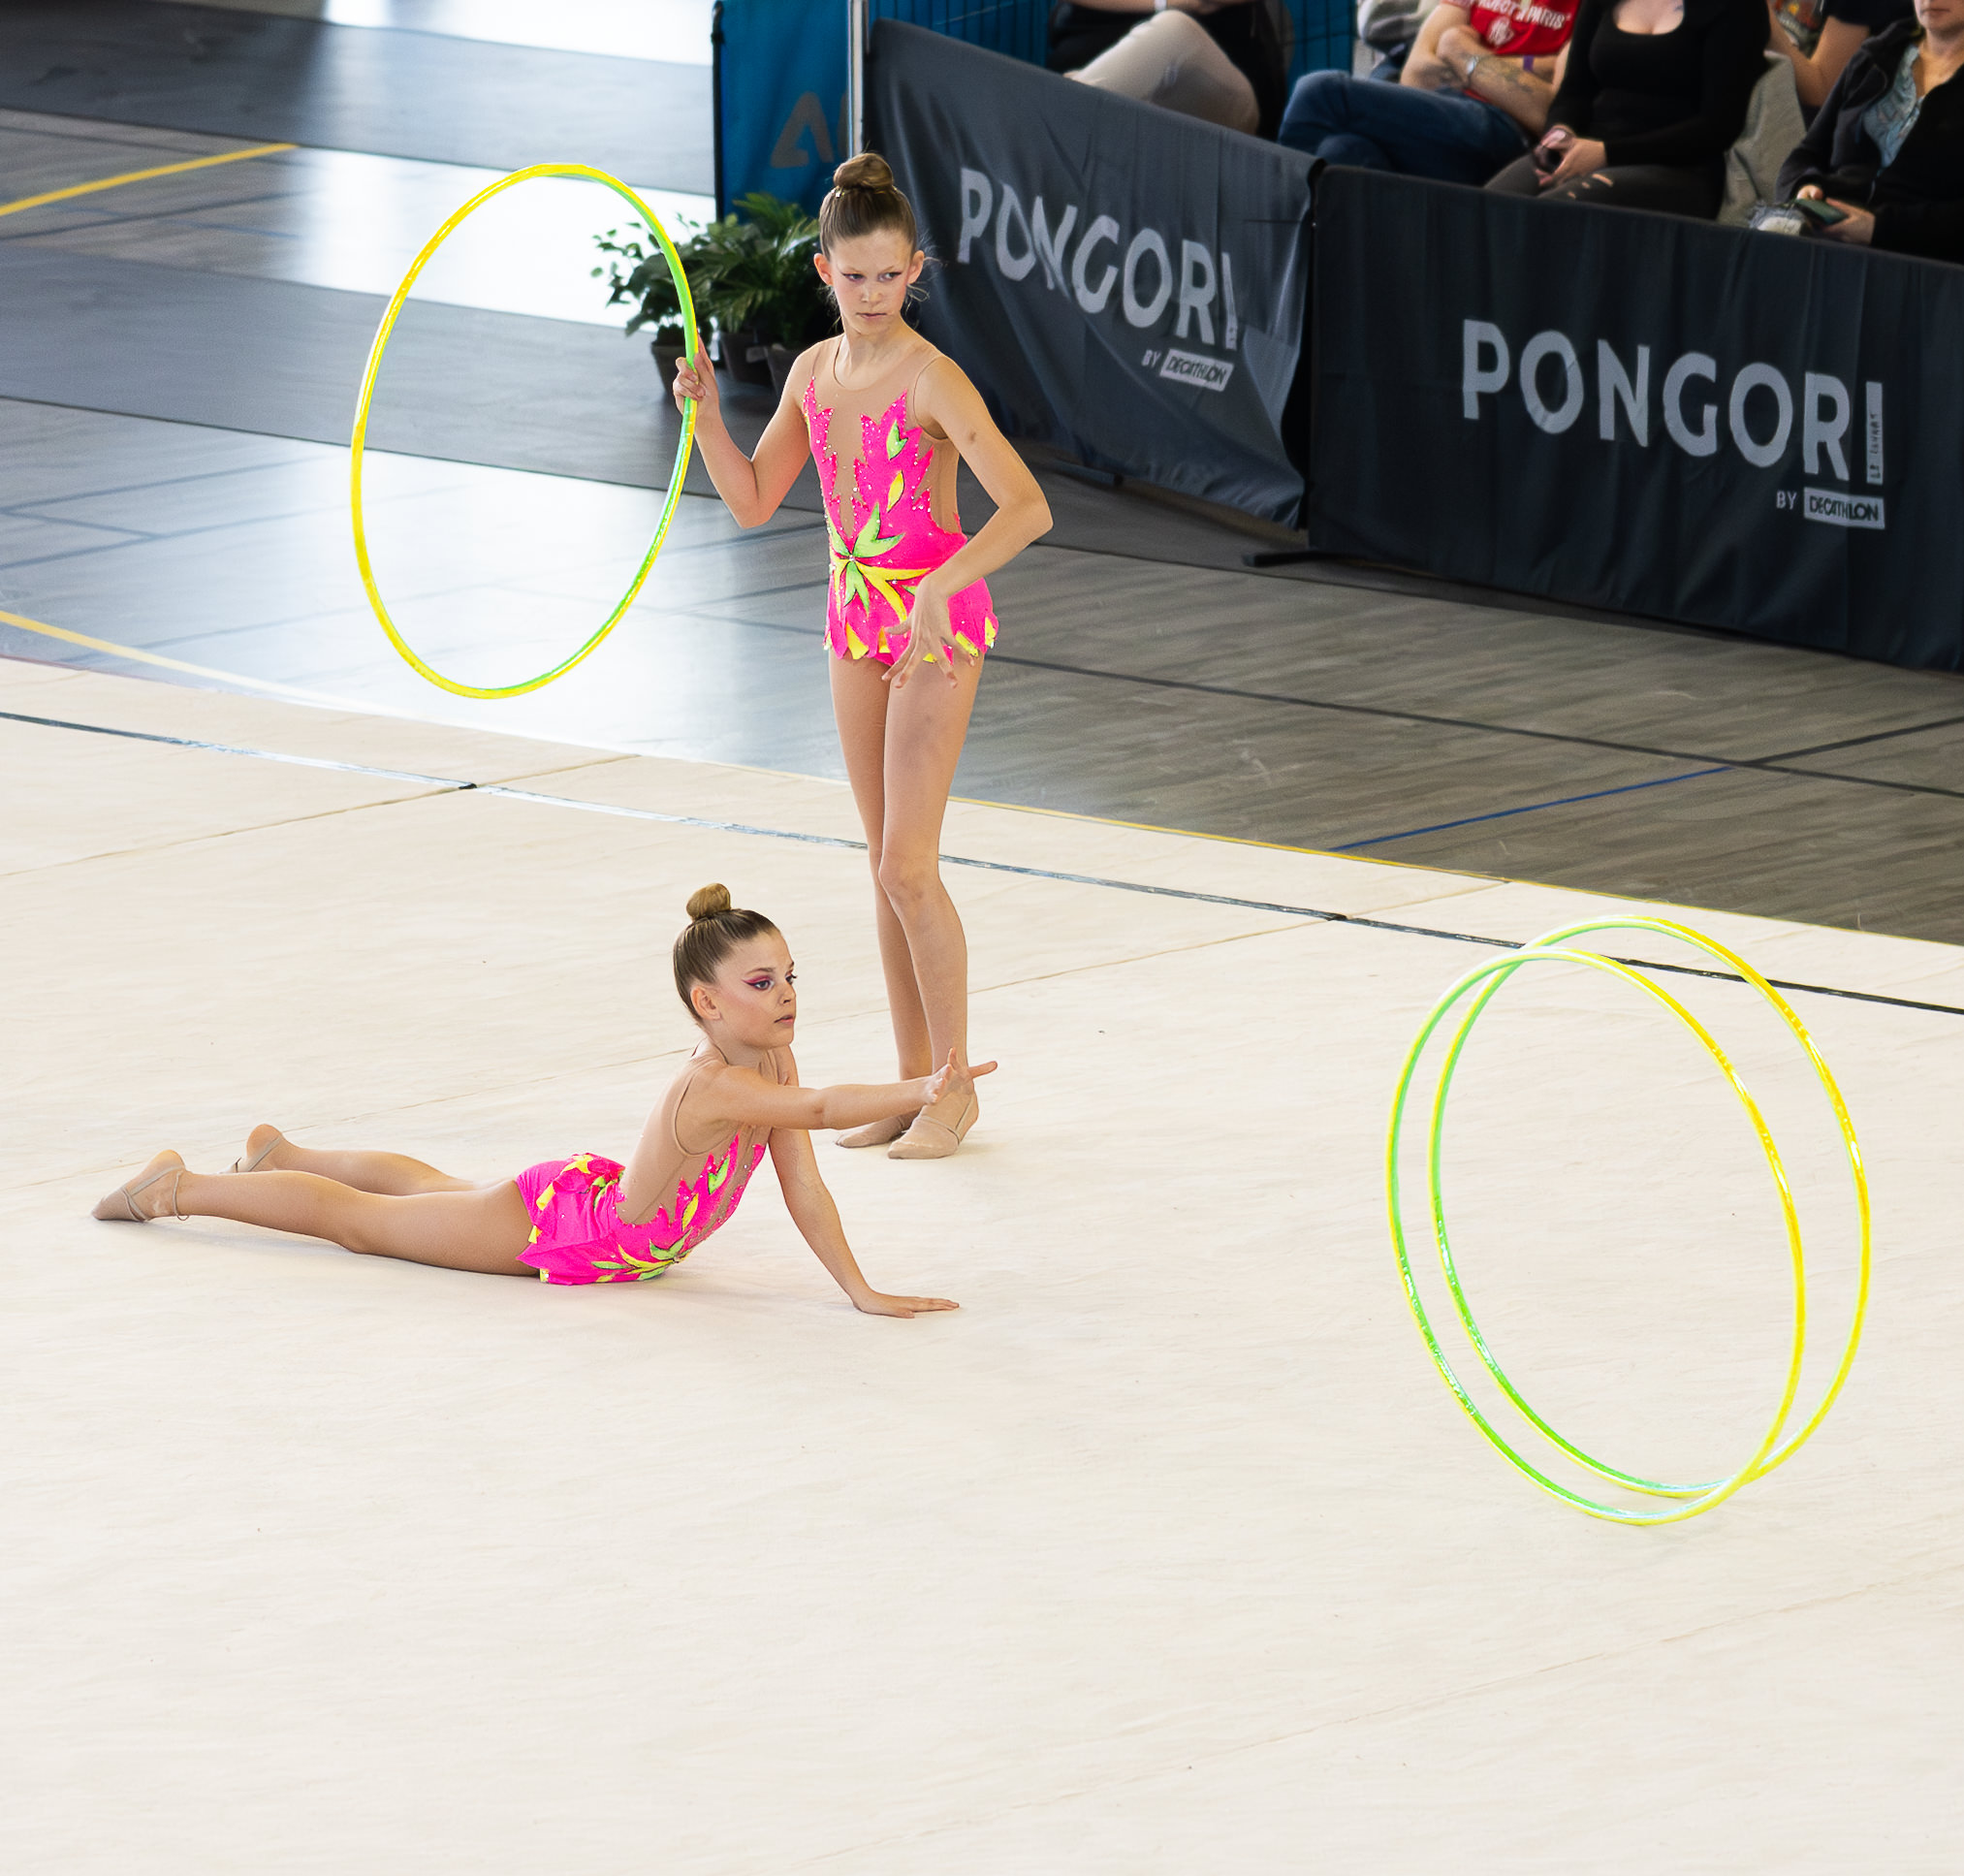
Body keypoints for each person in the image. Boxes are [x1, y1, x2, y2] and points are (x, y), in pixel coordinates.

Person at [91, 886, 990, 1318]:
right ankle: (179, 1187)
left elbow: (806, 1186)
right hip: (563, 1228)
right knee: (361, 1224)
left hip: (586, 1205)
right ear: (707, 1003)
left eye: (791, 975)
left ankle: (280, 1154)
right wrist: (921, 1087)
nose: (786, 994)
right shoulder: (716, 1085)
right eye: (762, 982)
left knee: (428, 1189)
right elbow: (828, 1110)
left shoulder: (775, 1065)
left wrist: (860, 1291)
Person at [672, 155, 1049, 1162]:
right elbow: (753, 500)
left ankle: (955, 1092)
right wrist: (705, 420)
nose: (873, 294)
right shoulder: (811, 374)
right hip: (854, 622)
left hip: (935, 625)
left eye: (890, 275)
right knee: (885, 869)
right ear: (823, 271)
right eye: (855, 276)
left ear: (914, 270)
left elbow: (1027, 507)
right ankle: (912, 1081)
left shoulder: (933, 378)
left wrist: (940, 582)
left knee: (908, 866)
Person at [1783, 0, 1964, 257]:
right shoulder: (1874, 56)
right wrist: (1805, 187)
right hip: (1821, 237)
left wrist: (1879, 229)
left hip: (1917, 262)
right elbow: (1804, 156)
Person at [1491, 0, 1769, 211]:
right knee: (1486, 206)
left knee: (1552, 213)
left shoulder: (1737, 7)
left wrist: (1607, 154)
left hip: (1680, 168)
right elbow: (1575, 90)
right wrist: (1560, 132)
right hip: (1586, 149)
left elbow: (1719, 126)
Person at [1279, 0, 1577, 184]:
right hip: (1444, 113)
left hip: (1507, 130)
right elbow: (1416, 73)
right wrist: (1503, 71)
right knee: (1342, 152)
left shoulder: (1582, 8)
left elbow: (1551, 111)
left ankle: (1276, 226)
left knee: (1321, 92)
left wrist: (1459, 51)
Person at [1062, 0, 1279, 135]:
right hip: (1090, 77)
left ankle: (1058, 125)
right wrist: (1163, 2)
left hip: (1215, 95)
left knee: (1172, 32)